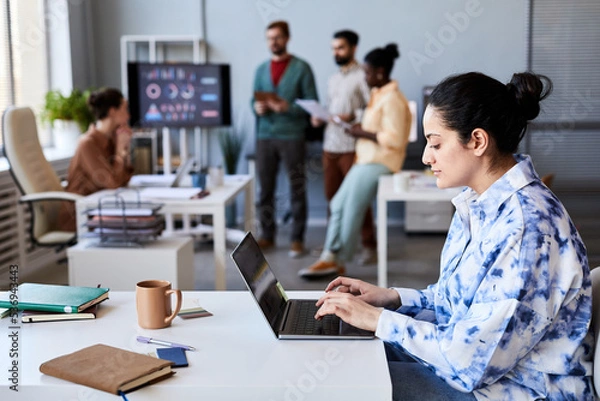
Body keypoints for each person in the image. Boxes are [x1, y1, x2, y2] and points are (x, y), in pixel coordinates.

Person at [314, 72, 594, 400]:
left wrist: (379, 320)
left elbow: (472, 361)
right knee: (341, 354)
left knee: (346, 385)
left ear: (477, 141)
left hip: (512, 390)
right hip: (475, 372)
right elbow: (457, 305)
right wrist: (392, 299)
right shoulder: (478, 204)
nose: (425, 157)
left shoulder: (527, 229)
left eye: (435, 143)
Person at [299, 43, 411, 278]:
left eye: (368, 72)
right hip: (367, 160)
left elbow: (396, 138)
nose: (365, 77)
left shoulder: (393, 99)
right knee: (338, 203)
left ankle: (335, 258)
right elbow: (377, 127)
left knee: (351, 208)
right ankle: (330, 259)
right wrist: (360, 128)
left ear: (380, 72)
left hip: (381, 162)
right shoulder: (378, 95)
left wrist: (362, 133)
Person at [251, 20, 318, 258]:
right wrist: (257, 108)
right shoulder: (260, 70)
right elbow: (253, 101)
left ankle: (297, 239)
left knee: (297, 188)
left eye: (278, 37)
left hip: (293, 136)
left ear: (287, 38)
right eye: (270, 38)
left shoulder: (302, 68)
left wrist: (286, 107)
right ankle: (267, 235)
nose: (273, 42)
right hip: (265, 136)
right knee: (265, 189)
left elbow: (312, 105)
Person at [310, 29, 376, 265]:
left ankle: (369, 245)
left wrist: (352, 115)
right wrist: (319, 117)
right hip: (331, 145)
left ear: (353, 48)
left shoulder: (363, 76)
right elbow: (330, 110)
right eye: (334, 48)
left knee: (358, 198)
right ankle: (333, 245)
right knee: (333, 198)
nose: (336, 52)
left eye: (340, 48)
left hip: (353, 147)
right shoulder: (334, 78)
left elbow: (373, 108)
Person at [58, 88, 134, 231]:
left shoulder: (111, 140)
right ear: (112, 112)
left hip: (102, 209)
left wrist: (124, 149)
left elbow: (124, 179)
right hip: (81, 215)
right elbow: (113, 185)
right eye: (124, 109)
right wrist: (119, 151)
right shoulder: (87, 144)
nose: (128, 115)